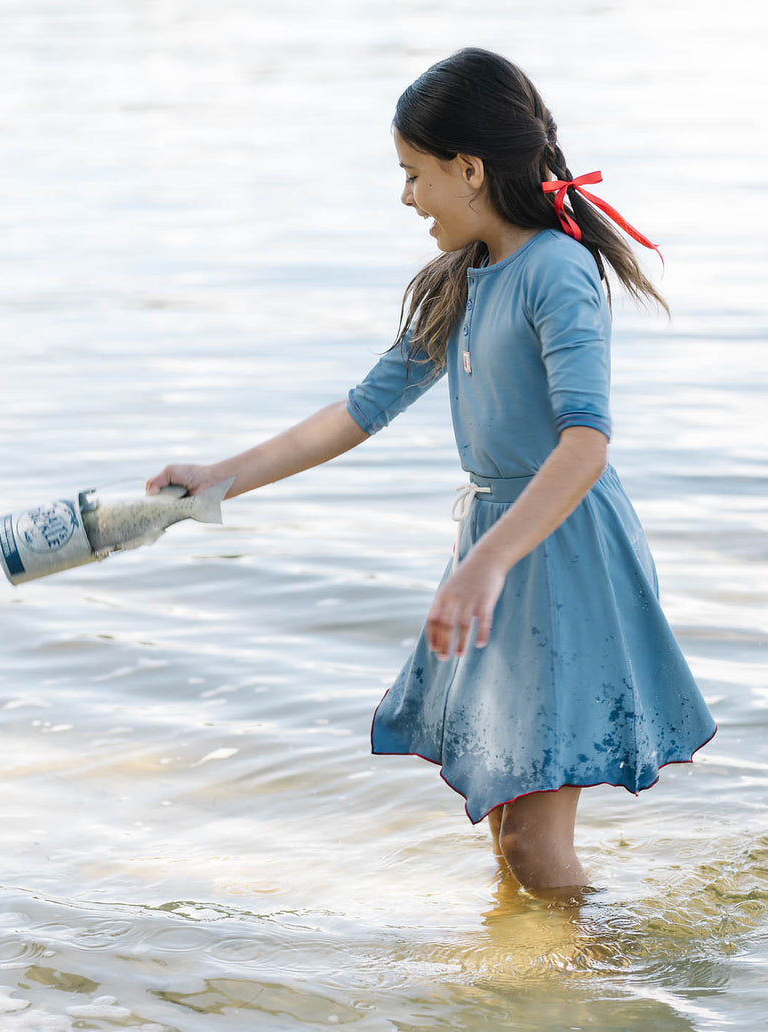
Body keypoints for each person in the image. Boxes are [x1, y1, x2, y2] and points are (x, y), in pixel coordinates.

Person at [147, 48, 717, 900]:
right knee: (504, 816)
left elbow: (584, 445)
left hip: (560, 550)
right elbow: (358, 409)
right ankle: (532, 987)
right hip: (495, 547)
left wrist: (488, 563)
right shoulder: (463, 280)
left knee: (529, 836)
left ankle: (611, 988)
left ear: (470, 168)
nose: (407, 196)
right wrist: (221, 477)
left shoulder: (557, 272)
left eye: (414, 174)